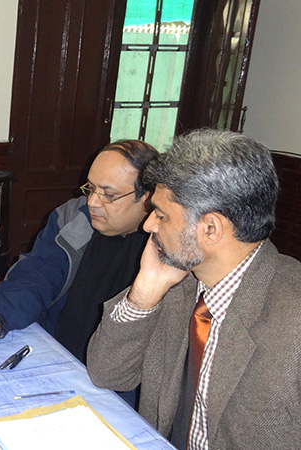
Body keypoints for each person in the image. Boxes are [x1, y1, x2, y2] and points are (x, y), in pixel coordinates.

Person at [86, 129, 301, 448]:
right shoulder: (180, 280)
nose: (148, 226)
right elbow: (108, 374)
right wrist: (144, 292)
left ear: (210, 228)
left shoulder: (291, 316)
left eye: (160, 215)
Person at [0, 140, 158, 364]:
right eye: (91, 189)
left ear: (147, 198)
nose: (93, 202)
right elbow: (36, 274)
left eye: (108, 195)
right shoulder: (75, 217)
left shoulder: (167, 247)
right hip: (57, 352)